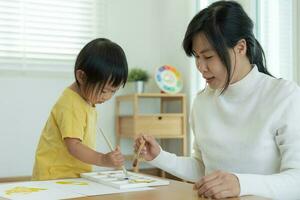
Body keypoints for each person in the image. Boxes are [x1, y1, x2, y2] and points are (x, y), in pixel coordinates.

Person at [134, 1, 300, 199]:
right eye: (196, 57)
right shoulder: (202, 102)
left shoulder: (283, 96)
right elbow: (203, 168)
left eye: (209, 56)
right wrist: (159, 157)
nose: (201, 67)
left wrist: (240, 183)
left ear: (240, 47)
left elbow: (296, 179)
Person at [32, 38, 127, 181]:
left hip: (72, 175)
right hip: (56, 176)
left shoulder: (86, 100)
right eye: (103, 91)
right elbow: (74, 146)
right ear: (82, 77)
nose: (107, 97)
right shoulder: (71, 104)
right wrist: (103, 159)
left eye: (113, 92)